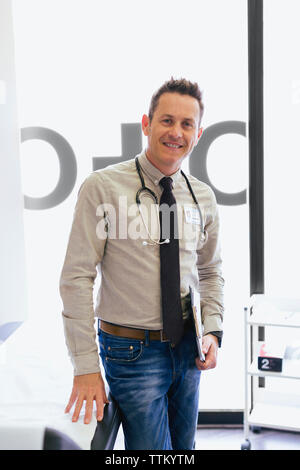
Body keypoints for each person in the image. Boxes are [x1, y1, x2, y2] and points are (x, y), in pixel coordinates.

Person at [59, 78, 224, 450]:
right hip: (131, 352)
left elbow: (211, 271)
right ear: (147, 124)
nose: (176, 132)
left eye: (186, 125)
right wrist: (85, 366)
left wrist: (212, 330)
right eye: (167, 121)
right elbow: (76, 278)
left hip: (187, 348)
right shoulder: (102, 187)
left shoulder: (202, 196)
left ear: (198, 134)